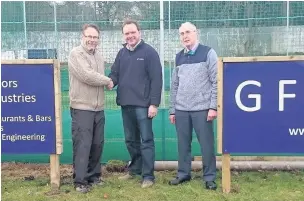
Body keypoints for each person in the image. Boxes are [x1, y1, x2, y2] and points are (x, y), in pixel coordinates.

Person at [108, 19, 163, 188]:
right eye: (127, 33)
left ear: (139, 32)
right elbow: (114, 73)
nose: (130, 36)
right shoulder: (121, 53)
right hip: (126, 105)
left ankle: (148, 176)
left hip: (144, 106)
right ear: (123, 35)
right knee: (131, 140)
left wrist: (154, 104)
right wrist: (110, 81)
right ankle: (135, 170)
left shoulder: (149, 52)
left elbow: (156, 79)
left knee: (146, 140)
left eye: (133, 32)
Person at [168, 22, 218, 190]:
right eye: (182, 33)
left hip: (203, 109)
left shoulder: (208, 53)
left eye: (188, 32)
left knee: (206, 145)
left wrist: (213, 107)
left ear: (196, 33)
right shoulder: (179, 57)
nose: (185, 36)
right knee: (183, 144)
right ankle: (183, 174)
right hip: (181, 109)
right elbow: (174, 85)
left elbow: (216, 81)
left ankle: (209, 177)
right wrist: (172, 109)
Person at [68, 23, 113, 193]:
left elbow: (97, 76)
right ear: (83, 37)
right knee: (83, 144)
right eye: (89, 36)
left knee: (97, 144)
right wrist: (108, 81)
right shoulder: (76, 54)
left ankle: (94, 176)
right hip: (82, 107)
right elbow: (87, 76)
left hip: (98, 107)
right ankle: (80, 180)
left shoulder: (99, 56)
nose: (92, 40)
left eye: (95, 37)